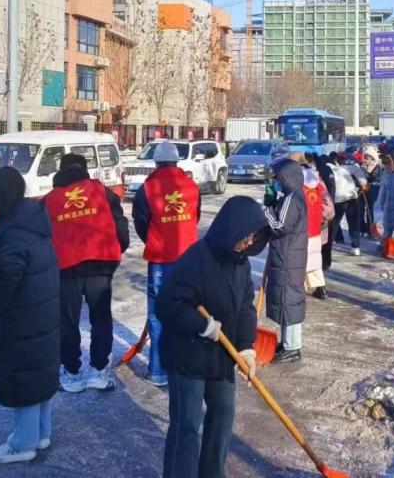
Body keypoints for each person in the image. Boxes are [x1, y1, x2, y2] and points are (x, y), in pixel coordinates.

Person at [156, 197, 269, 478]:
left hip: (222, 354)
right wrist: (202, 325)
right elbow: (166, 305)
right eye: (245, 235)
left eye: (254, 237)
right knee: (187, 425)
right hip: (187, 354)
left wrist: (246, 347)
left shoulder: (241, 263)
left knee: (223, 416)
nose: (249, 242)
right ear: (231, 228)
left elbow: (245, 307)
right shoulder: (195, 260)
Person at [0, 167, 60, 465]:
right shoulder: (32, 220)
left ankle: (23, 443)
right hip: (40, 312)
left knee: (25, 376)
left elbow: (6, 279)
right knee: (38, 373)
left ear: (5, 194)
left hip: (23, 316)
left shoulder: (14, 232)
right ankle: (40, 433)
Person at [44, 153, 129, 393]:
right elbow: (120, 225)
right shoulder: (101, 192)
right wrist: (117, 250)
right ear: (84, 170)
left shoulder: (49, 200)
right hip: (100, 263)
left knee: (67, 321)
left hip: (66, 268)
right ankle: (98, 371)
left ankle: (71, 372)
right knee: (100, 318)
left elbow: (43, 235)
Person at [133, 142, 202, 386]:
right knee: (187, 312)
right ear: (176, 161)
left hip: (161, 260)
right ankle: (186, 368)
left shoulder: (148, 187)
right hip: (189, 260)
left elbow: (140, 220)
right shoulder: (192, 186)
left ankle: (158, 371)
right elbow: (195, 216)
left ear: (156, 162)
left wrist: (154, 238)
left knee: (158, 315)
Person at [264, 157, 309, 363]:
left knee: (288, 299)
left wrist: (267, 210)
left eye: (277, 178)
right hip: (289, 254)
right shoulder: (292, 196)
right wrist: (274, 203)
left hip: (288, 257)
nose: (275, 182)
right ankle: (288, 342)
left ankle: (292, 347)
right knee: (286, 299)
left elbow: (280, 226)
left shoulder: (292, 198)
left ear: (286, 177)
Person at [300, 154, 333, 298]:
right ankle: (320, 287)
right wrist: (322, 217)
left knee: (300, 258)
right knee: (314, 257)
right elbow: (329, 207)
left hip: (301, 228)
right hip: (317, 227)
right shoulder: (317, 181)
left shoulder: (296, 183)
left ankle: (300, 288)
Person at [375, 153, 394, 255]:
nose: (386, 168)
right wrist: (382, 202)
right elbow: (383, 189)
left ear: (393, 163)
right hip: (388, 203)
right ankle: (385, 243)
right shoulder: (386, 174)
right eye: (385, 166)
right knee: (387, 225)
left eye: (387, 166)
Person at [361, 146, 382, 239]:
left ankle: (370, 229)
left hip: (372, 191)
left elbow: (373, 178)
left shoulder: (376, 166)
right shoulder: (363, 165)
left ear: (372, 157)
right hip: (363, 190)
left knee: (369, 210)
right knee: (360, 210)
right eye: (365, 156)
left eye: (368, 156)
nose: (366, 158)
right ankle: (363, 229)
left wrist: (366, 171)